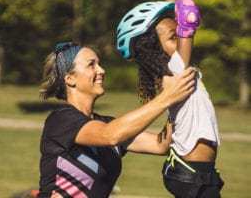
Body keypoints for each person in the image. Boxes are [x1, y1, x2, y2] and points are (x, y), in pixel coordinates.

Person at [37, 41, 196, 198]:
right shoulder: (61, 120)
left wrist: (175, 103)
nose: (102, 70)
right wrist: (167, 97)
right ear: (70, 79)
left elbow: (160, 145)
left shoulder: (108, 124)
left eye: (99, 64)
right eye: (91, 65)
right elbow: (110, 136)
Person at [116, 0, 224, 197]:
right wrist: (180, 5)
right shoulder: (175, 71)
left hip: (198, 173)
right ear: (154, 49)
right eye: (173, 37)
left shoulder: (177, 71)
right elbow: (188, 17)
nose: (180, 40)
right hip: (191, 174)